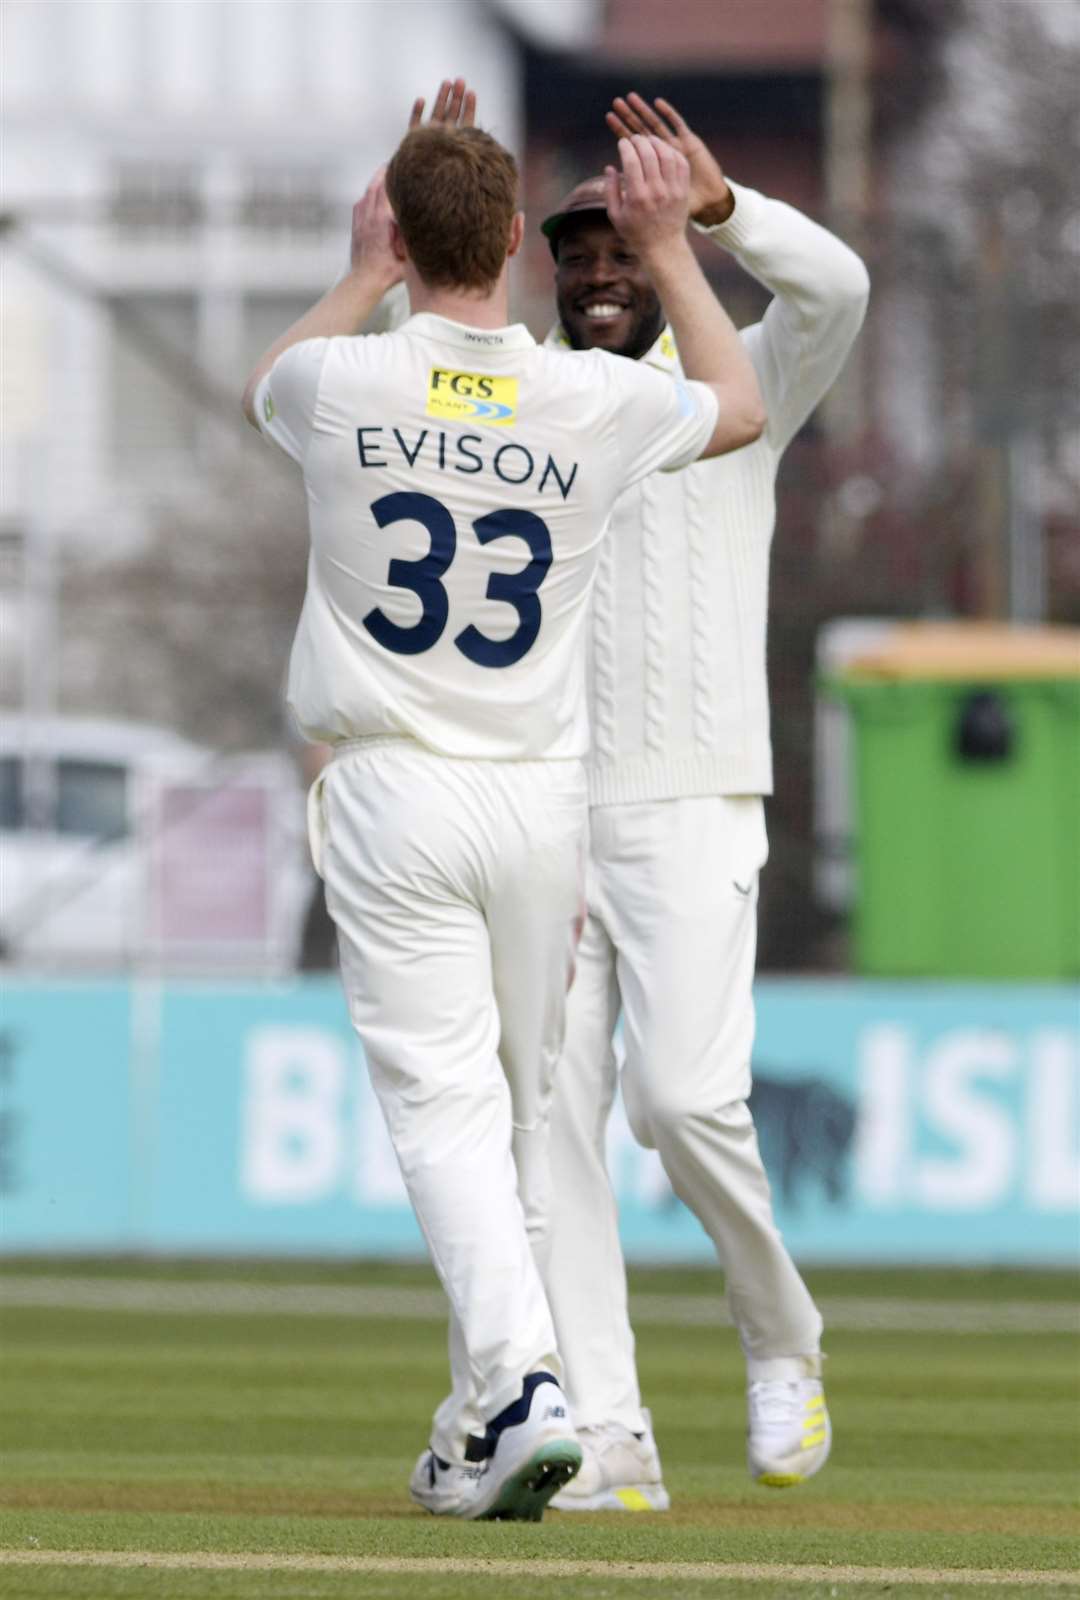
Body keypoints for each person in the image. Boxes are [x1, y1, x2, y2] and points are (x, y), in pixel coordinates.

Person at [242, 79, 765, 1521]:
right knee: (529, 1113)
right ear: (526, 237)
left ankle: (525, 1384)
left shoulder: (338, 383)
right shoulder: (592, 399)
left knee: (445, 1111)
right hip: (543, 803)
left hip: (394, 785)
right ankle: (492, 1418)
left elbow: (264, 380)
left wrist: (363, 267)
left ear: (401, 238)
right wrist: (668, 252)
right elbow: (741, 402)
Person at [532, 94, 869, 1510]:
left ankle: (782, 1335)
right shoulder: (527, 404)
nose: (603, 272)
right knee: (548, 1132)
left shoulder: (740, 386)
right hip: (543, 817)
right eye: (582, 256)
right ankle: (610, 1435)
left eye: (624, 251)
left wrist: (708, 226)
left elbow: (838, 285)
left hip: (688, 806)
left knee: (681, 1102)